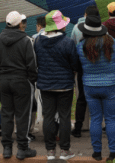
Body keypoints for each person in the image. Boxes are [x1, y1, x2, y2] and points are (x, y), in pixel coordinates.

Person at [0, 10, 38, 160]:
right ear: (19, 24)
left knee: (6, 114)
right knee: (23, 115)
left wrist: (2, 77)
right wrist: (31, 80)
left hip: (5, 81)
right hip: (22, 81)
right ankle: (22, 148)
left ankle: (7, 148)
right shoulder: (25, 41)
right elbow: (32, 65)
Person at [34, 10, 78, 161]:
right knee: (65, 117)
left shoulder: (38, 42)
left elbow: (37, 63)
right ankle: (65, 151)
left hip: (46, 85)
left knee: (48, 117)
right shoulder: (68, 42)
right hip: (65, 84)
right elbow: (75, 64)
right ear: (60, 26)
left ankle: (50, 151)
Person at [77, 14, 115, 163]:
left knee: (95, 119)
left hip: (90, 85)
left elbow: (77, 65)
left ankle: (97, 152)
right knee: (111, 120)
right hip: (111, 85)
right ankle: (113, 152)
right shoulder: (112, 42)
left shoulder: (81, 46)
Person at [70, 5, 99, 137]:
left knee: (81, 98)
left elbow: (73, 47)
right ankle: (96, 127)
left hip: (82, 67)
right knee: (97, 99)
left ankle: (79, 127)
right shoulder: (103, 31)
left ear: (85, 15)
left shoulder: (76, 28)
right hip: (98, 68)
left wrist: (74, 67)